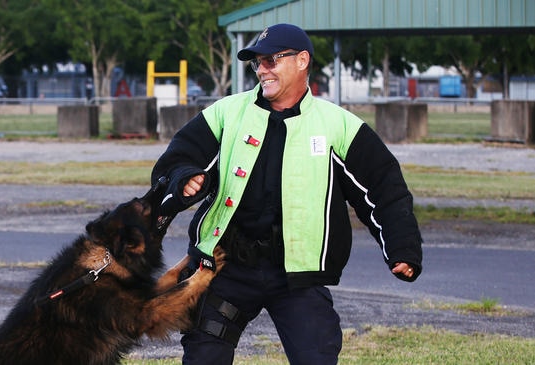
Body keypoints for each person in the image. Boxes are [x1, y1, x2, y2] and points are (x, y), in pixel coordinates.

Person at [151, 23, 423, 365]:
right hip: (226, 266)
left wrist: (402, 248)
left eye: (271, 60)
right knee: (204, 355)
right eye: (257, 63)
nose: (262, 70)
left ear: (302, 61)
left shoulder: (337, 125)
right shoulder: (227, 113)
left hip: (296, 275)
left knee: (317, 356)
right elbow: (176, 159)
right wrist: (184, 180)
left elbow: (385, 189)